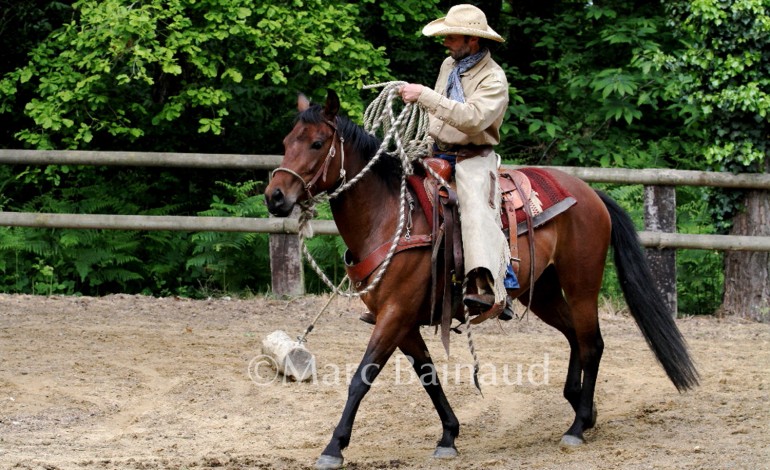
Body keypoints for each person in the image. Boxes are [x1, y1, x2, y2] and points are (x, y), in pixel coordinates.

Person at [399, 4, 518, 319]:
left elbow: (473, 119)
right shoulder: (447, 66)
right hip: (435, 151)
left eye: (451, 36)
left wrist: (424, 95)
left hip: (472, 157)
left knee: (475, 208)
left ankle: (488, 284)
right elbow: (439, 115)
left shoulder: (494, 78)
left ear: (473, 40)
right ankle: (398, 283)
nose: (445, 41)